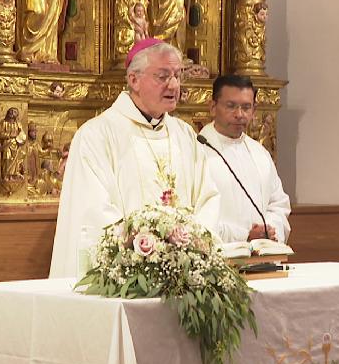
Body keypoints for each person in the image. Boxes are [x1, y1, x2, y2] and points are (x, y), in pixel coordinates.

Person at [50, 38, 220, 277]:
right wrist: (147, 244)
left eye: (178, 76)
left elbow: (208, 198)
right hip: (124, 277)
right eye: (162, 76)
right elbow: (92, 210)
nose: (173, 86)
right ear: (134, 80)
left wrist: (188, 243)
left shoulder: (185, 136)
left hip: (182, 275)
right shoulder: (96, 135)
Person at [199, 75, 291, 243]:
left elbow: (278, 203)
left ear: (254, 111)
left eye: (246, 107)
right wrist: (244, 237)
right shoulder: (197, 152)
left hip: (262, 256)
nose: (239, 114)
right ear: (212, 107)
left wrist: (268, 230)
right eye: (231, 106)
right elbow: (196, 215)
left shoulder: (259, 153)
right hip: (217, 259)